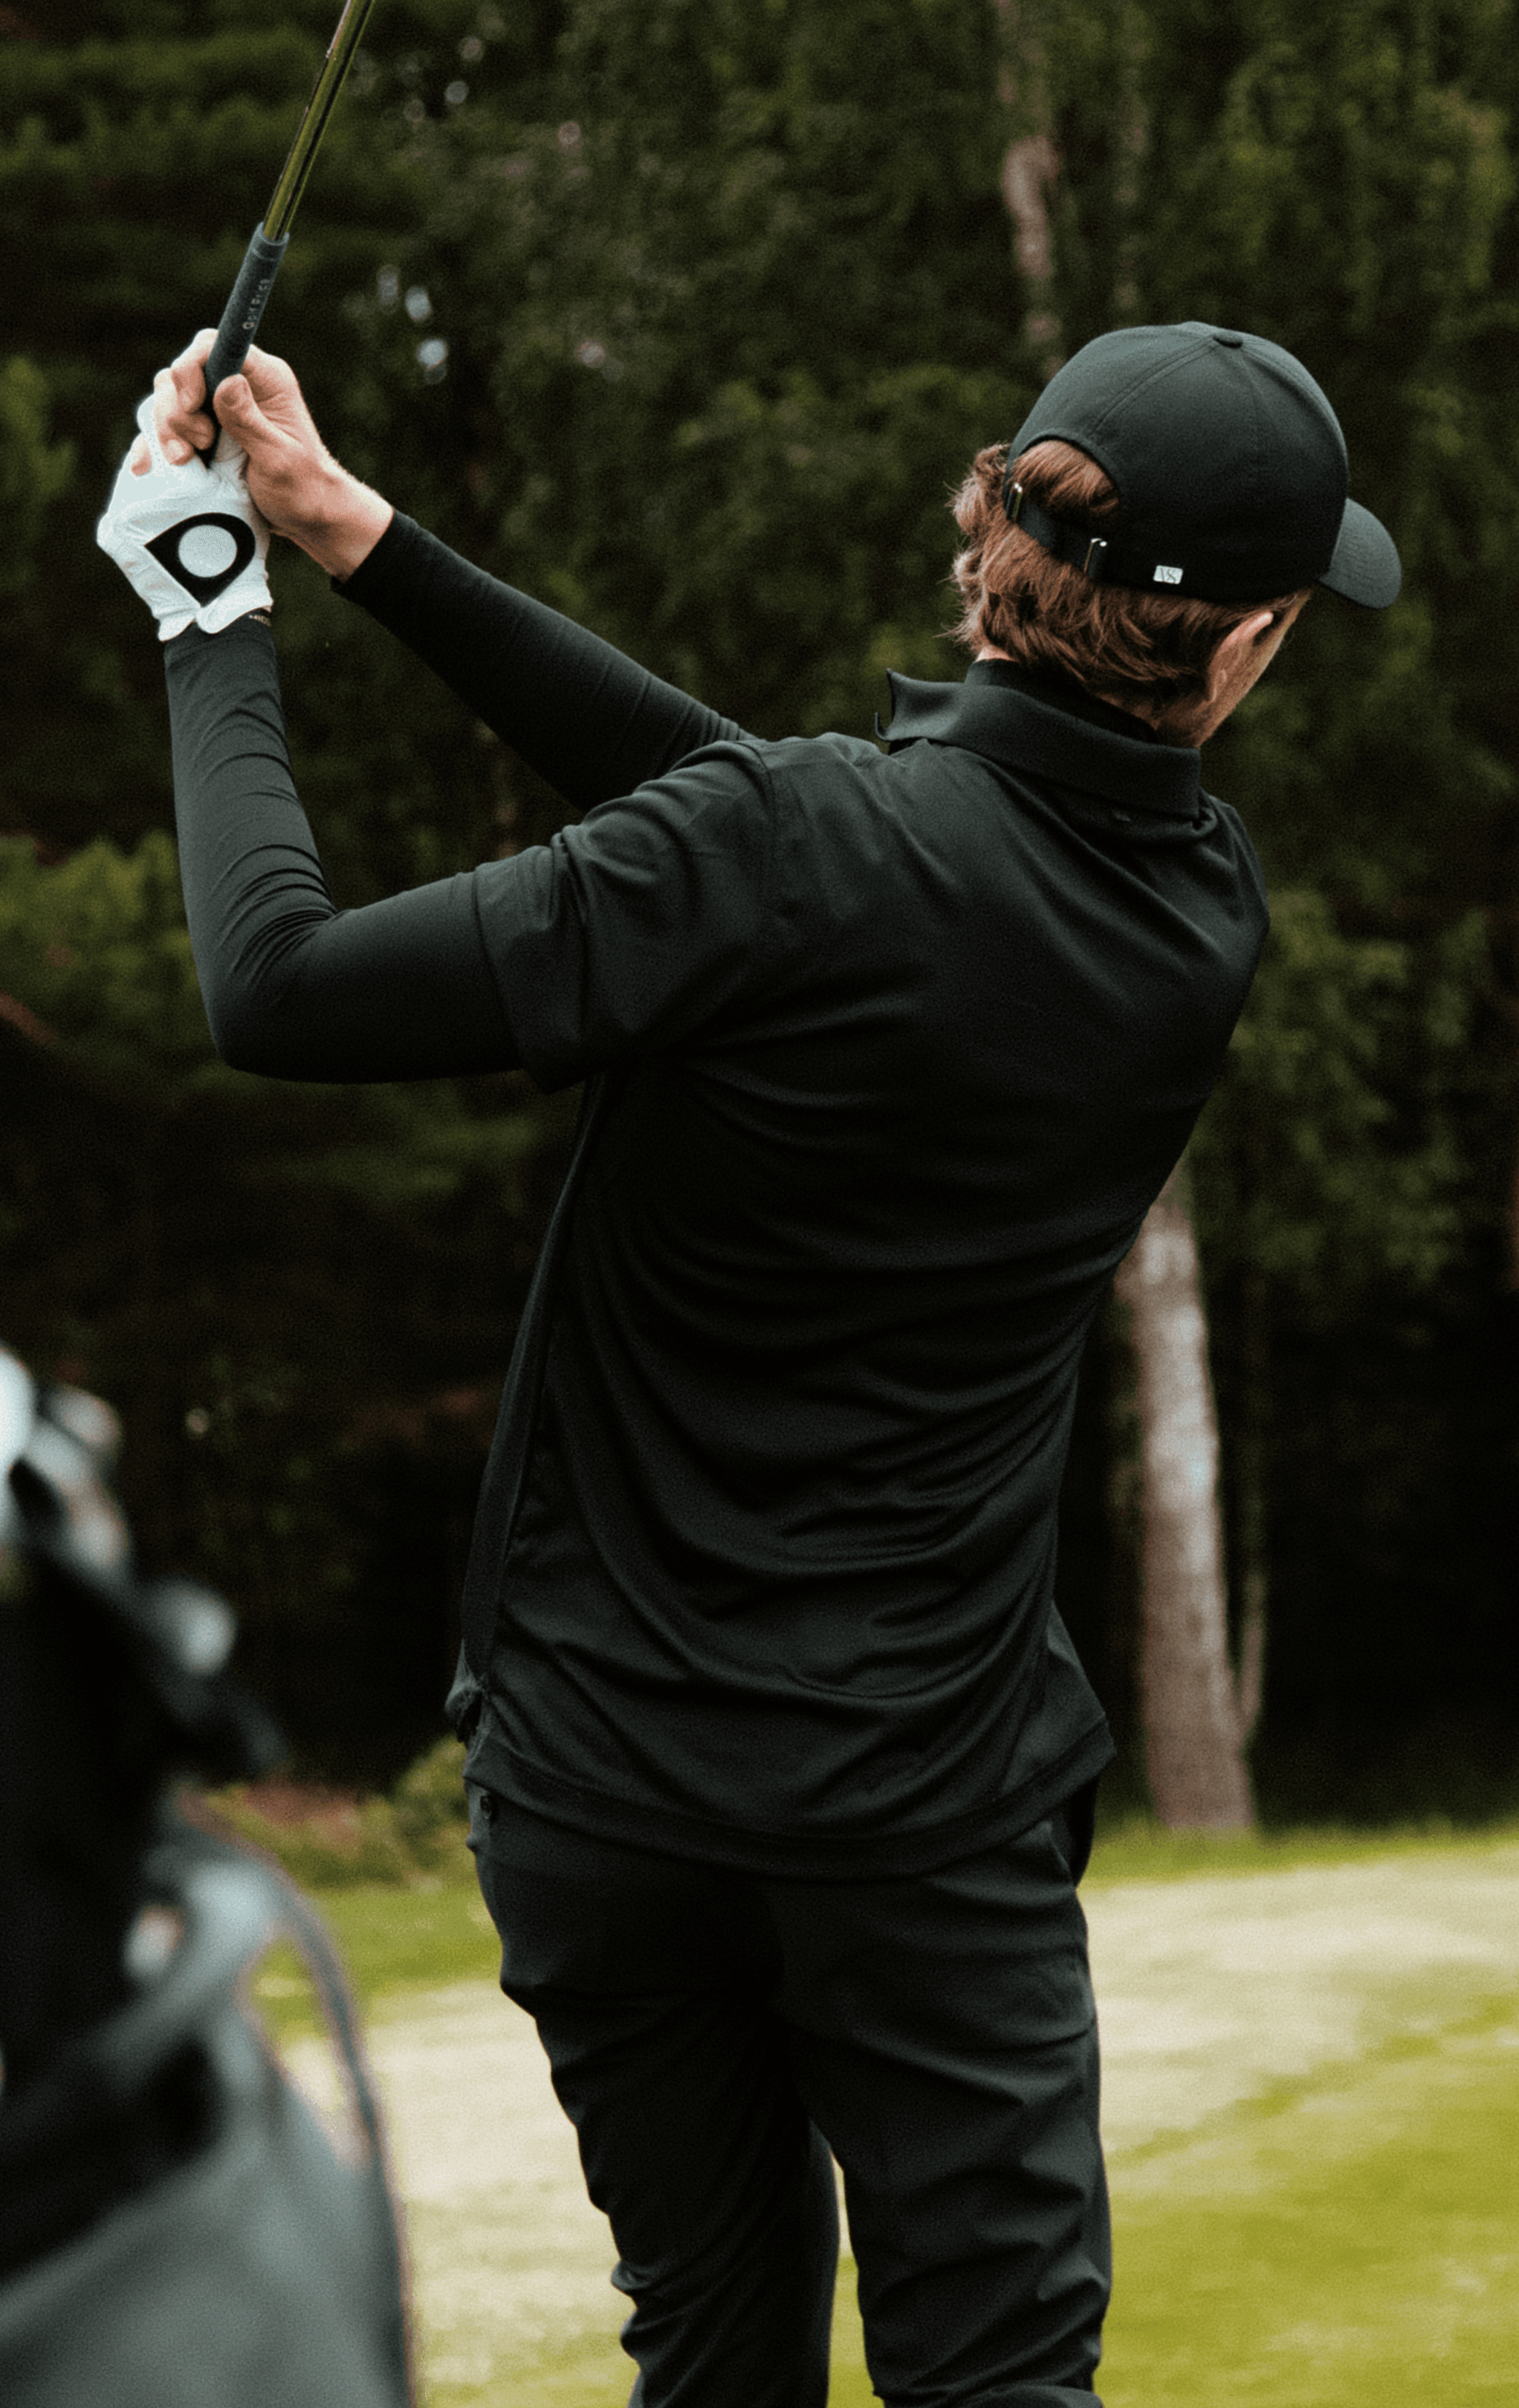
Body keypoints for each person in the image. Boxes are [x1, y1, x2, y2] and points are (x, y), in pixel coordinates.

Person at [100, 317, 1399, 2408]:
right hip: (925, 1820)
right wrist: (356, 536)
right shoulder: (1190, 917)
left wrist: (206, 603)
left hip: (606, 1791)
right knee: (997, 2381)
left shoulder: (798, 854)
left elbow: (280, 984)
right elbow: (790, 825)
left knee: (715, 2356)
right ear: (1236, 651)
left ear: (988, 535)